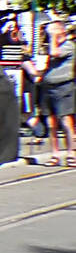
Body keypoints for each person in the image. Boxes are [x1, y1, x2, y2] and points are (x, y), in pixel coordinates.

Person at [38, 18, 74, 166]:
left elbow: (55, 53)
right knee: (51, 122)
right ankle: (55, 154)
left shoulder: (69, 46)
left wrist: (53, 36)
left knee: (66, 121)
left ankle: (71, 153)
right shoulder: (50, 45)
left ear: (62, 31)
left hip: (64, 86)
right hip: (48, 86)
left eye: (53, 31)